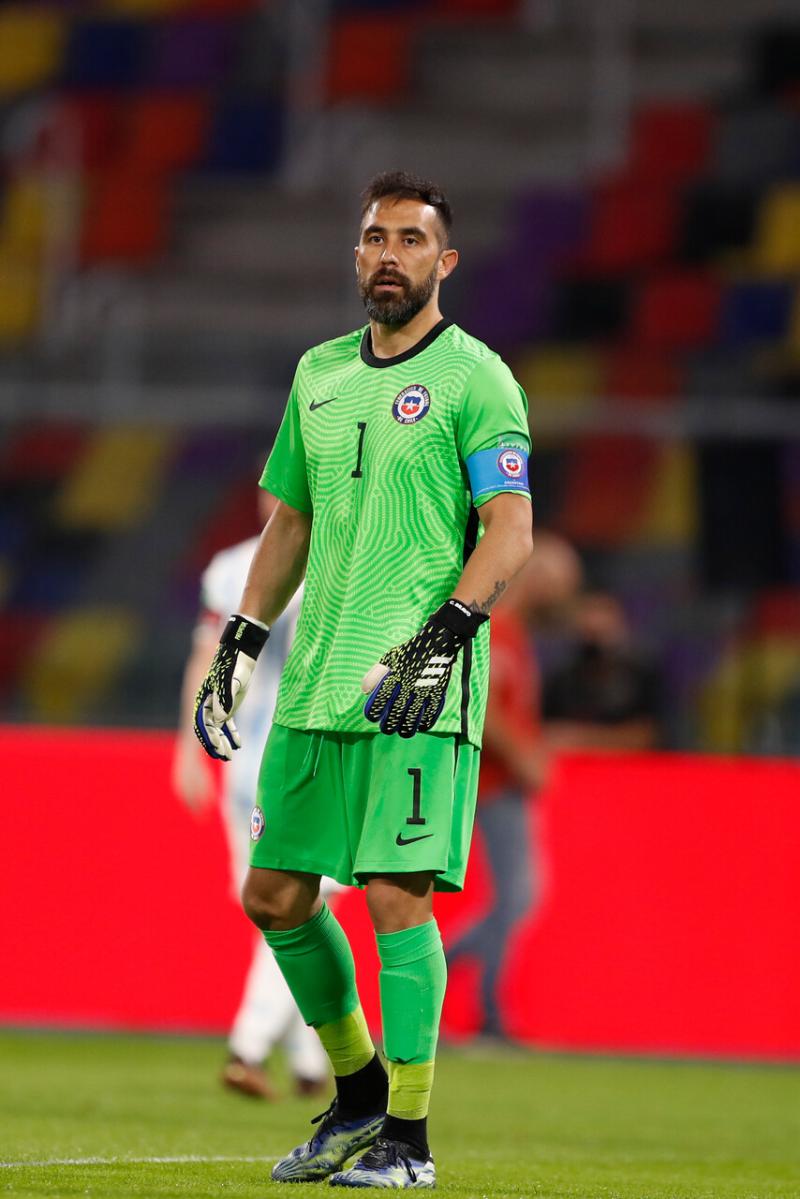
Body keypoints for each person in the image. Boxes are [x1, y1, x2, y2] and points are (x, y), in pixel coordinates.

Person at [192, 170, 534, 1189]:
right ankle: (353, 1094)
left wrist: (443, 636)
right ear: (355, 255)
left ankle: (409, 1139)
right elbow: (287, 524)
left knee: (394, 895)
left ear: (444, 261)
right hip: (315, 688)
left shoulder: (478, 378)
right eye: (374, 238)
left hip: (416, 687)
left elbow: (507, 530)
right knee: (276, 893)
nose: (389, 255)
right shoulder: (317, 375)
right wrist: (238, 645)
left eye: (410, 240)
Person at [172, 489, 333, 1100]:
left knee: (278, 909)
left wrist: (191, 749)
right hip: (296, 761)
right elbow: (208, 659)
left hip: (248, 762)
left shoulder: (231, 565)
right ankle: (248, 1044)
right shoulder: (336, 558)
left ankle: (311, 1059)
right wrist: (188, 749)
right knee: (293, 907)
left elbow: (206, 658)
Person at [446, 533, 581, 1039]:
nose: (566, 597)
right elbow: (479, 706)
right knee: (517, 897)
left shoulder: (513, 634)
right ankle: (474, 998)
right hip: (494, 785)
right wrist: (525, 758)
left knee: (517, 898)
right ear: (539, 578)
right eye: (563, 584)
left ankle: (458, 985)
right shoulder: (497, 630)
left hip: (502, 785)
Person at [543, 591, 662, 751]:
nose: (595, 645)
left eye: (602, 633)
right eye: (589, 634)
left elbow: (647, 736)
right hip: (573, 769)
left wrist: (580, 738)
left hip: (627, 770)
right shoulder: (560, 681)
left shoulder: (641, 675)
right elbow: (549, 735)